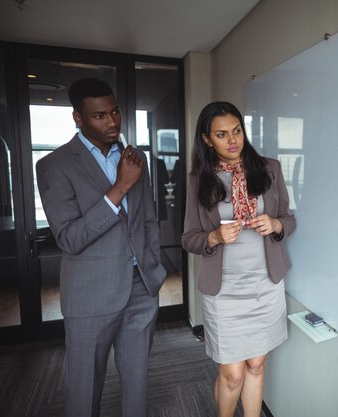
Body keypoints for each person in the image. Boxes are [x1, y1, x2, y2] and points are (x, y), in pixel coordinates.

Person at [36, 78, 166, 417]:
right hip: (90, 295)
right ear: (78, 118)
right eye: (99, 116)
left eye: (115, 112)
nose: (111, 122)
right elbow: (69, 238)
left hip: (141, 287)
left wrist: (154, 268)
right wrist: (119, 188)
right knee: (84, 390)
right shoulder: (54, 165)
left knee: (137, 383)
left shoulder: (136, 157)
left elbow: (147, 219)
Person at [182, 101, 295, 417]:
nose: (232, 140)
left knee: (257, 365)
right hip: (225, 291)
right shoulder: (198, 181)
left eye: (237, 131)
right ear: (207, 140)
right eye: (221, 134)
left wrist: (275, 224)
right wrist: (214, 237)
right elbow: (188, 237)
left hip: (265, 285)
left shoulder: (270, 169)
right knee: (231, 374)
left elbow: (289, 218)